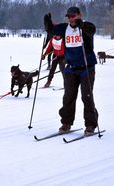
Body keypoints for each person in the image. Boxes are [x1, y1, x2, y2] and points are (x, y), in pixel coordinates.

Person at [45, 6, 99, 136]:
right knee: (68, 97)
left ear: (79, 15)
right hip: (71, 68)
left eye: (73, 16)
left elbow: (92, 31)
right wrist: (47, 23)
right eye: (68, 16)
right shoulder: (65, 28)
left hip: (86, 67)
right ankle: (66, 123)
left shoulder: (86, 26)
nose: (71, 19)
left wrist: (82, 25)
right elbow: (52, 31)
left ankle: (90, 124)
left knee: (87, 96)